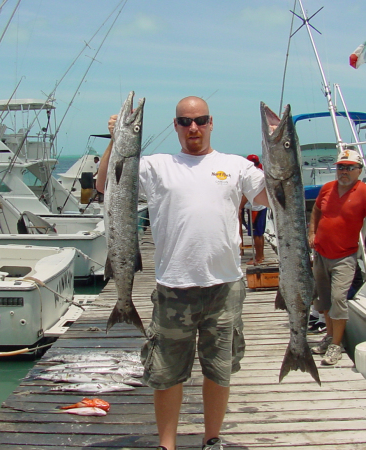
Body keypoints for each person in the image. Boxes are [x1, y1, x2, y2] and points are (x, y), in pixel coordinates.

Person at [97, 96, 269, 450]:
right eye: (185, 121)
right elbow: (105, 186)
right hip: (173, 287)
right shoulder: (156, 165)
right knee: (166, 374)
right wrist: (116, 139)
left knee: (219, 370)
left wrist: (279, 162)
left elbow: (271, 196)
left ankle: (212, 440)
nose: (194, 127)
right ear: (175, 125)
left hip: (225, 288)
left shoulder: (235, 165)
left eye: (201, 120)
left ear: (211, 123)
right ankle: (167, 444)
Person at [308, 149, 366, 365]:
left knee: (338, 299)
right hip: (321, 254)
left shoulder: (363, 192)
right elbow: (315, 211)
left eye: (349, 168)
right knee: (323, 299)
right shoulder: (327, 189)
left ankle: (336, 346)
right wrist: (311, 233)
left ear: (359, 171)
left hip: (345, 256)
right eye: (340, 167)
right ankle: (330, 337)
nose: (343, 171)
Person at [238, 155, 267, 265]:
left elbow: (248, 193)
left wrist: (239, 206)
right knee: (260, 233)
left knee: (256, 234)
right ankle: (261, 255)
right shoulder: (260, 171)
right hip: (261, 207)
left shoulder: (252, 175)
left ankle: (259, 258)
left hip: (256, 208)